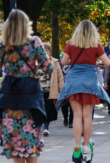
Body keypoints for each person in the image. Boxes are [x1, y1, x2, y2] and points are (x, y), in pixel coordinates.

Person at [0, 10, 52, 163]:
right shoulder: (34, 42)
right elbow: (47, 67)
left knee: (15, 142)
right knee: (31, 142)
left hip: (10, 99)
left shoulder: (3, 45)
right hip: (31, 100)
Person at [57, 20, 110, 159]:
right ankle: (86, 146)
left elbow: (63, 62)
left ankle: (76, 147)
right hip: (90, 82)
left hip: (74, 81)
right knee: (87, 116)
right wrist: (96, 62)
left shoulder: (70, 43)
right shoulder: (96, 44)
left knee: (76, 116)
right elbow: (108, 63)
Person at [40, 43, 64, 136]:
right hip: (39, 90)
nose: (44, 51)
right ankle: (41, 125)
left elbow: (60, 76)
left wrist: (61, 89)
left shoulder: (55, 62)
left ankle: (46, 127)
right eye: (43, 49)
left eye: (46, 50)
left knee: (49, 109)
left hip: (51, 89)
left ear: (50, 51)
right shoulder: (36, 62)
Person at [58, 58, 74, 128]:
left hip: (72, 87)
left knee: (72, 105)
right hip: (63, 87)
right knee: (64, 104)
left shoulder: (74, 63)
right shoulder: (60, 63)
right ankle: (65, 118)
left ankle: (71, 121)